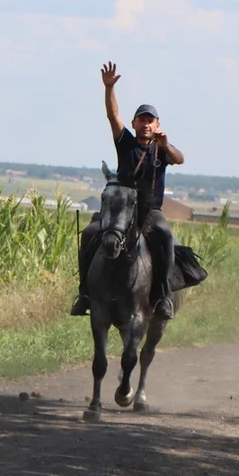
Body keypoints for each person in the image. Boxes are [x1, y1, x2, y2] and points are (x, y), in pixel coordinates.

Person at [71, 61, 185, 320]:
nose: (146, 124)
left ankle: (163, 298)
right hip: (118, 208)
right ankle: (84, 294)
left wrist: (166, 146)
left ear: (157, 125)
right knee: (90, 233)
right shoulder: (126, 143)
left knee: (166, 238)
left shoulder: (162, 149)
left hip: (149, 212)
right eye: (141, 120)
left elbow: (180, 159)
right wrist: (109, 88)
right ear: (134, 123)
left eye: (150, 120)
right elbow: (113, 116)